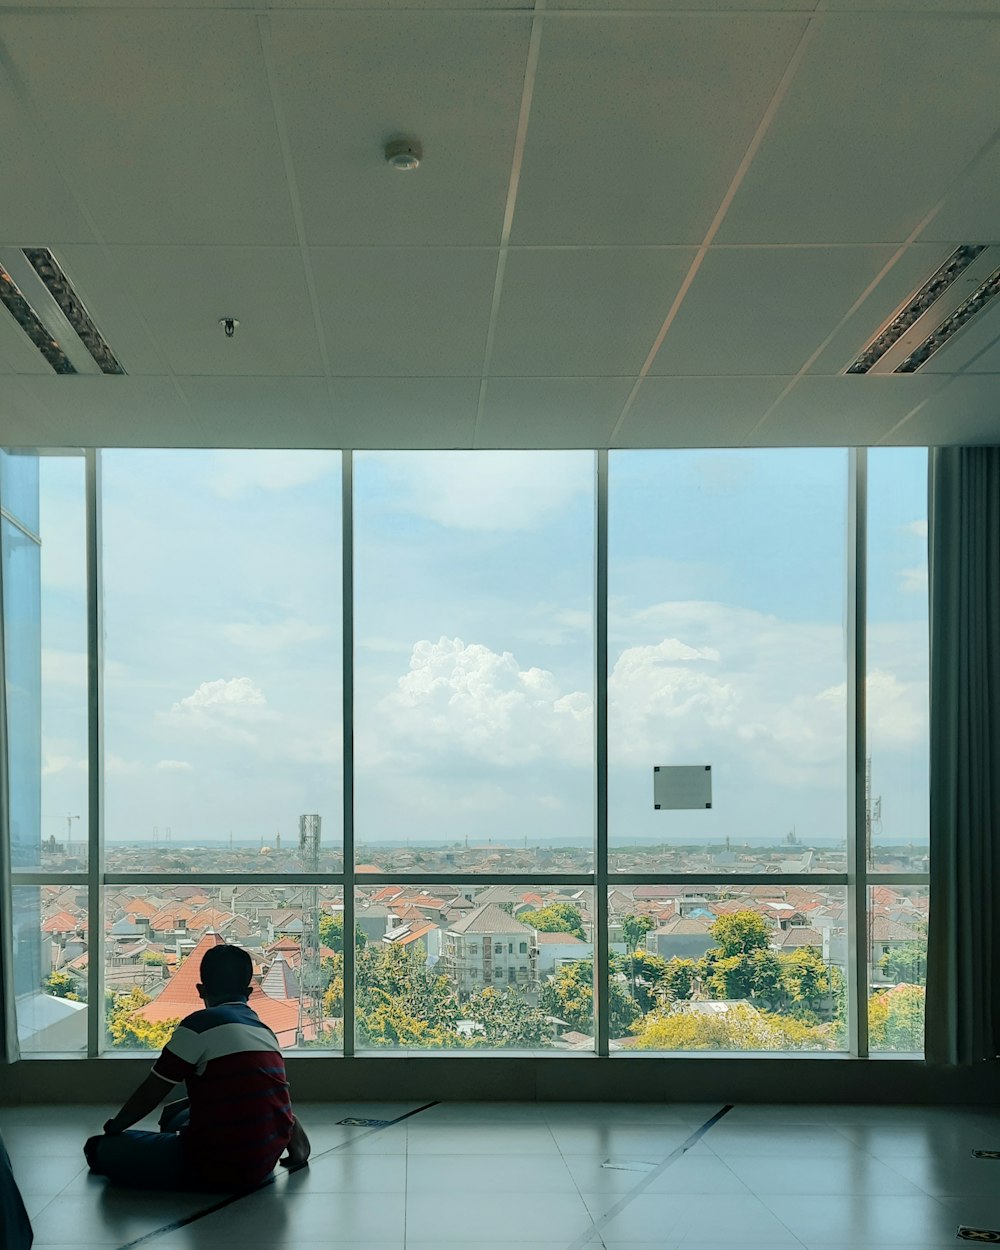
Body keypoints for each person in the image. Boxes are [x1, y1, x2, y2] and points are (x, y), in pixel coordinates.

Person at [84, 944, 310, 1191]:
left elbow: (153, 1090)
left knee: (101, 1149)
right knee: (173, 1115)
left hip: (213, 1163)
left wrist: (115, 1127)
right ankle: (289, 1125)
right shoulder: (264, 1031)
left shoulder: (198, 1026)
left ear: (201, 990)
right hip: (264, 1160)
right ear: (248, 991)